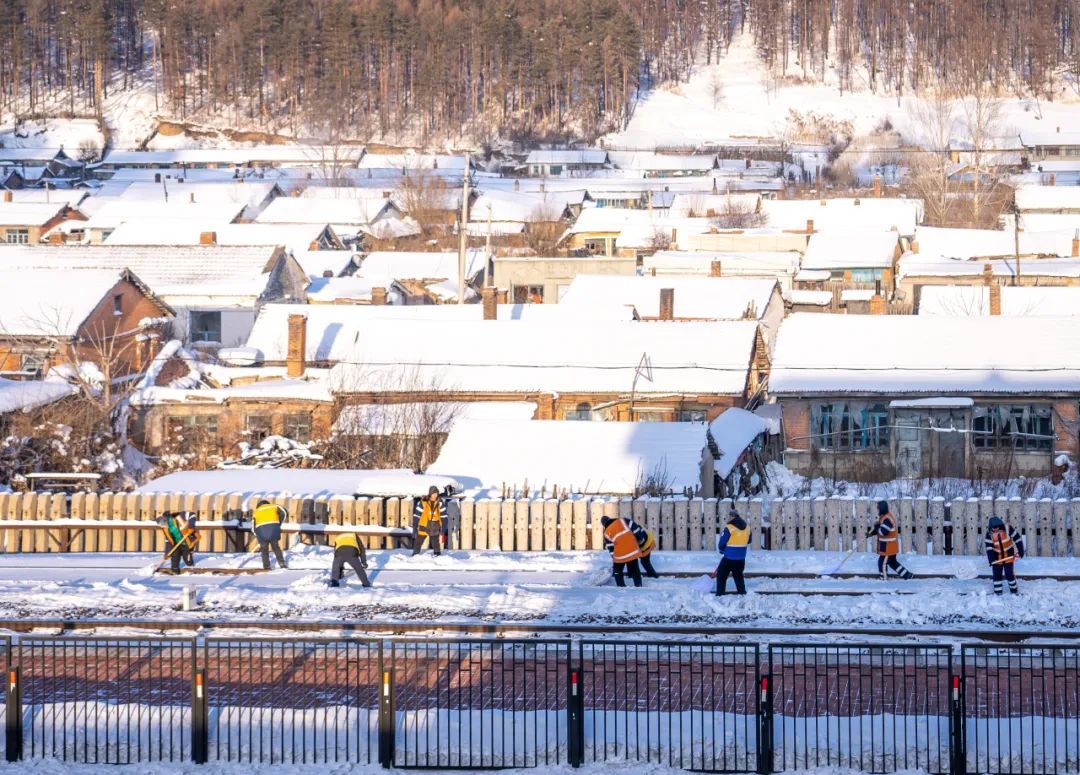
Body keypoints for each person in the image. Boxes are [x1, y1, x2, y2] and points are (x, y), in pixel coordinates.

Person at [869, 500, 913, 580]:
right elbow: (881, 529)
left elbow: (883, 532)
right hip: (889, 546)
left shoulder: (887, 519)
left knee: (882, 562)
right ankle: (907, 575)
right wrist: (871, 533)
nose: (877, 510)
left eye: (878, 508)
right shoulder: (884, 517)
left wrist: (877, 527)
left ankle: (883, 578)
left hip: (888, 547)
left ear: (882, 509)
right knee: (892, 563)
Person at [713, 509, 750, 595]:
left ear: (733, 517)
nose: (728, 518)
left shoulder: (729, 528)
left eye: (729, 516)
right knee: (738, 576)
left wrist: (722, 550)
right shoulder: (747, 527)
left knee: (721, 575)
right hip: (741, 558)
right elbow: (749, 540)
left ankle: (720, 594)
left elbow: (722, 542)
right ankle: (742, 593)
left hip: (729, 557)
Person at [985, 516, 1024, 595]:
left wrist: (1021, 550)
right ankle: (998, 591)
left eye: (997, 527)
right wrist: (991, 559)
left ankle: (1014, 590)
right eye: (993, 528)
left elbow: (1018, 539)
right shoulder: (989, 534)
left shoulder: (1008, 529)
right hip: (997, 558)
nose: (995, 530)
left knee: (1009, 574)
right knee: (997, 575)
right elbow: (989, 548)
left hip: (1008, 556)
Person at [600, 515, 643, 587]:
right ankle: (638, 585)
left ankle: (621, 585)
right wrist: (639, 538)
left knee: (618, 570)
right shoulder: (623, 520)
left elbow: (611, 547)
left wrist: (614, 558)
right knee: (635, 569)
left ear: (603, 525)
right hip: (632, 550)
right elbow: (635, 528)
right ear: (610, 518)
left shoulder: (606, 533)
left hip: (620, 554)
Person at [252, 499, 288, 570]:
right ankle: (282, 563)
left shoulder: (256, 512)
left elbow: (253, 527)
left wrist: (257, 535)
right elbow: (284, 512)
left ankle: (266, 566)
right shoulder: (273, 506)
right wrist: (279, 523)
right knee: (276, 548)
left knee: (264, 550)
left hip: (261, 532)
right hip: (273, 530)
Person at [411, 486, 446, 556]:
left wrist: (444, 526)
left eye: (436, 493)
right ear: (430, 493)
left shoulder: (440, 502)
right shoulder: (423, 502)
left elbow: (444, 516)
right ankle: (415, 554)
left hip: (435, 525)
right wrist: (415, 526)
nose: (435, 495)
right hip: (424, 524)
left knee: (435, 542)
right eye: (433, 493)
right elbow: (417, 515)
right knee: (419, 541)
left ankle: (437, 554)